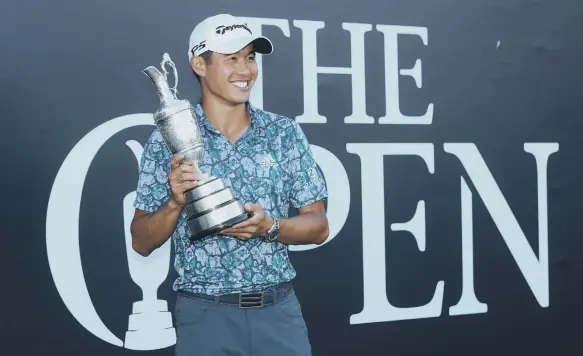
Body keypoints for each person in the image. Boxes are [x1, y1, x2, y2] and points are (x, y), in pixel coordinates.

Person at [130, 13, 329, 356]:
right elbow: (141, 241)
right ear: (199, 65)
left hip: (279, 314)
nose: (246, 69)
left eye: (250, 57)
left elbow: (318, 226)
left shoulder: (283, 133)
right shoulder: (167, 140)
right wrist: (175, 202)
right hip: (206, 317)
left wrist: (271, 227)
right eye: (232, 58)